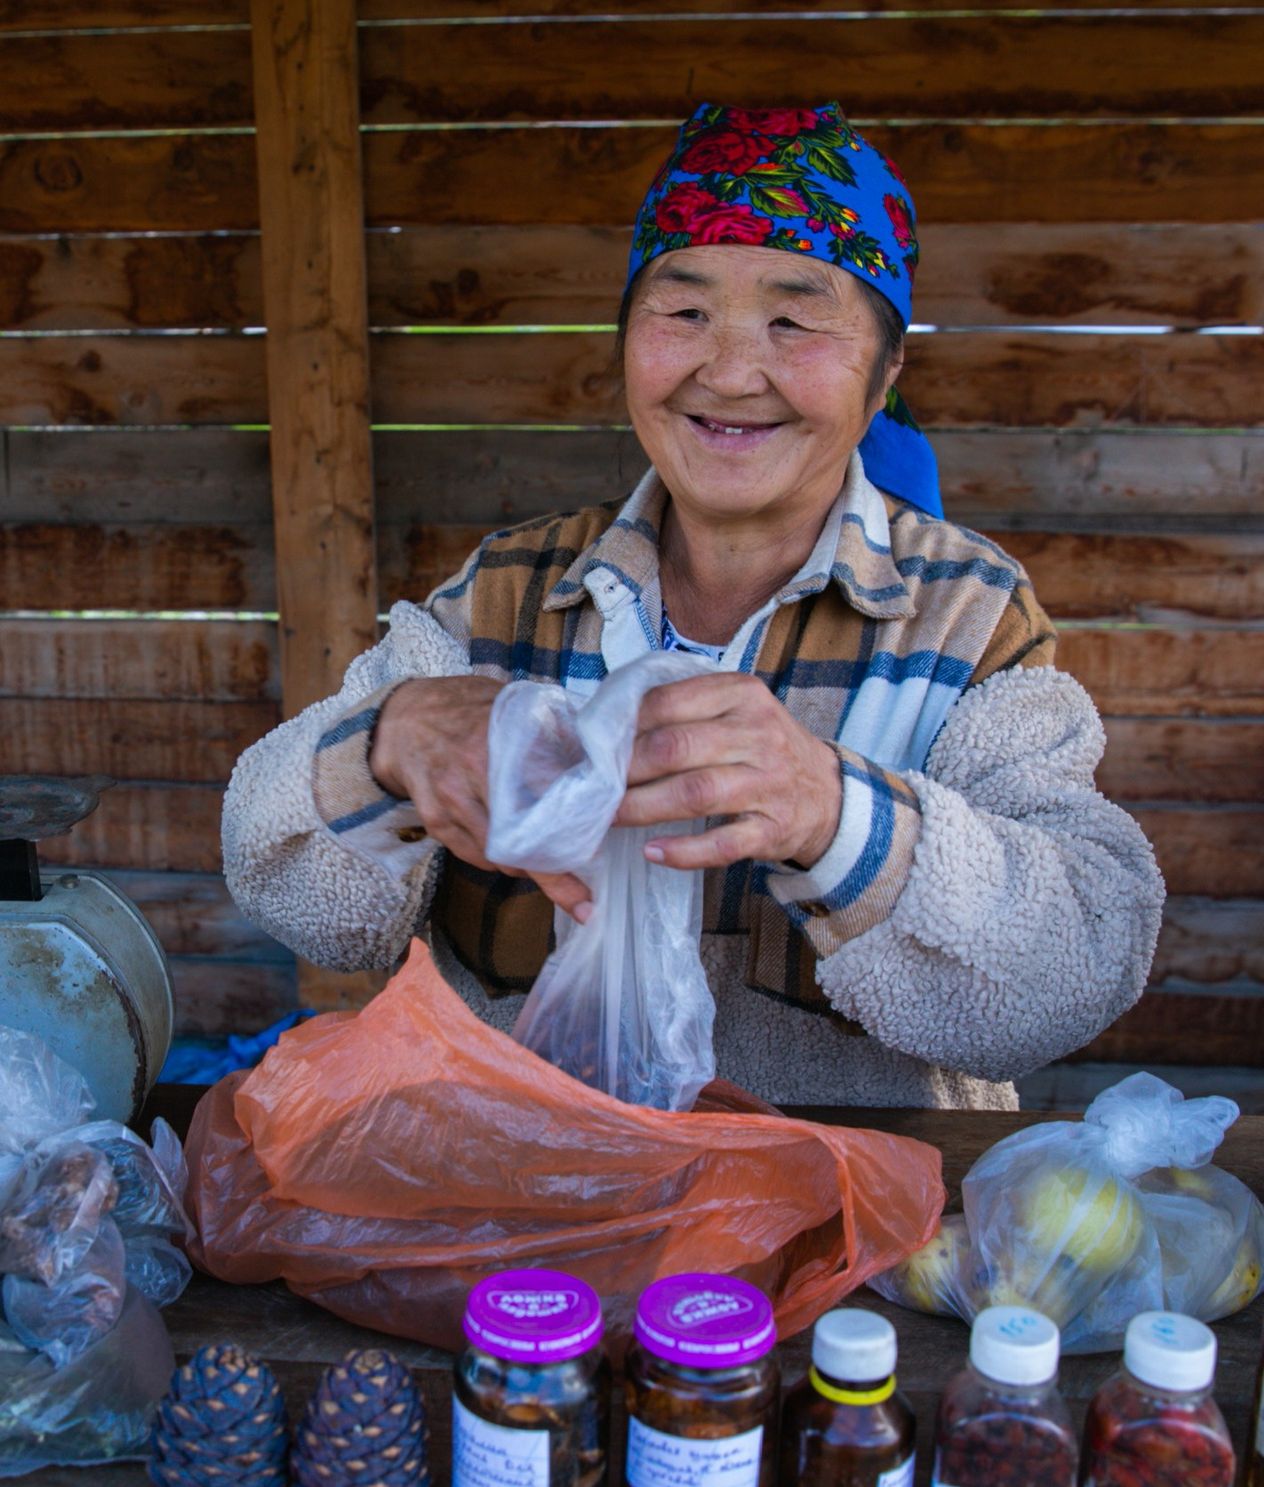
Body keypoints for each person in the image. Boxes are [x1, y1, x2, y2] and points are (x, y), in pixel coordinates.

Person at [223, 104, 1163, 1107]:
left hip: (842, 1230)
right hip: (542, 1224)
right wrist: (385, 741)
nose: (728, 371)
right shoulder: (509, 594)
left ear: (887, 372)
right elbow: (292, 887)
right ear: (628, 335)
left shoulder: (966, 620)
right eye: (683, 312)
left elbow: (1072, 972)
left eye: (795, 320)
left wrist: (828, 810)